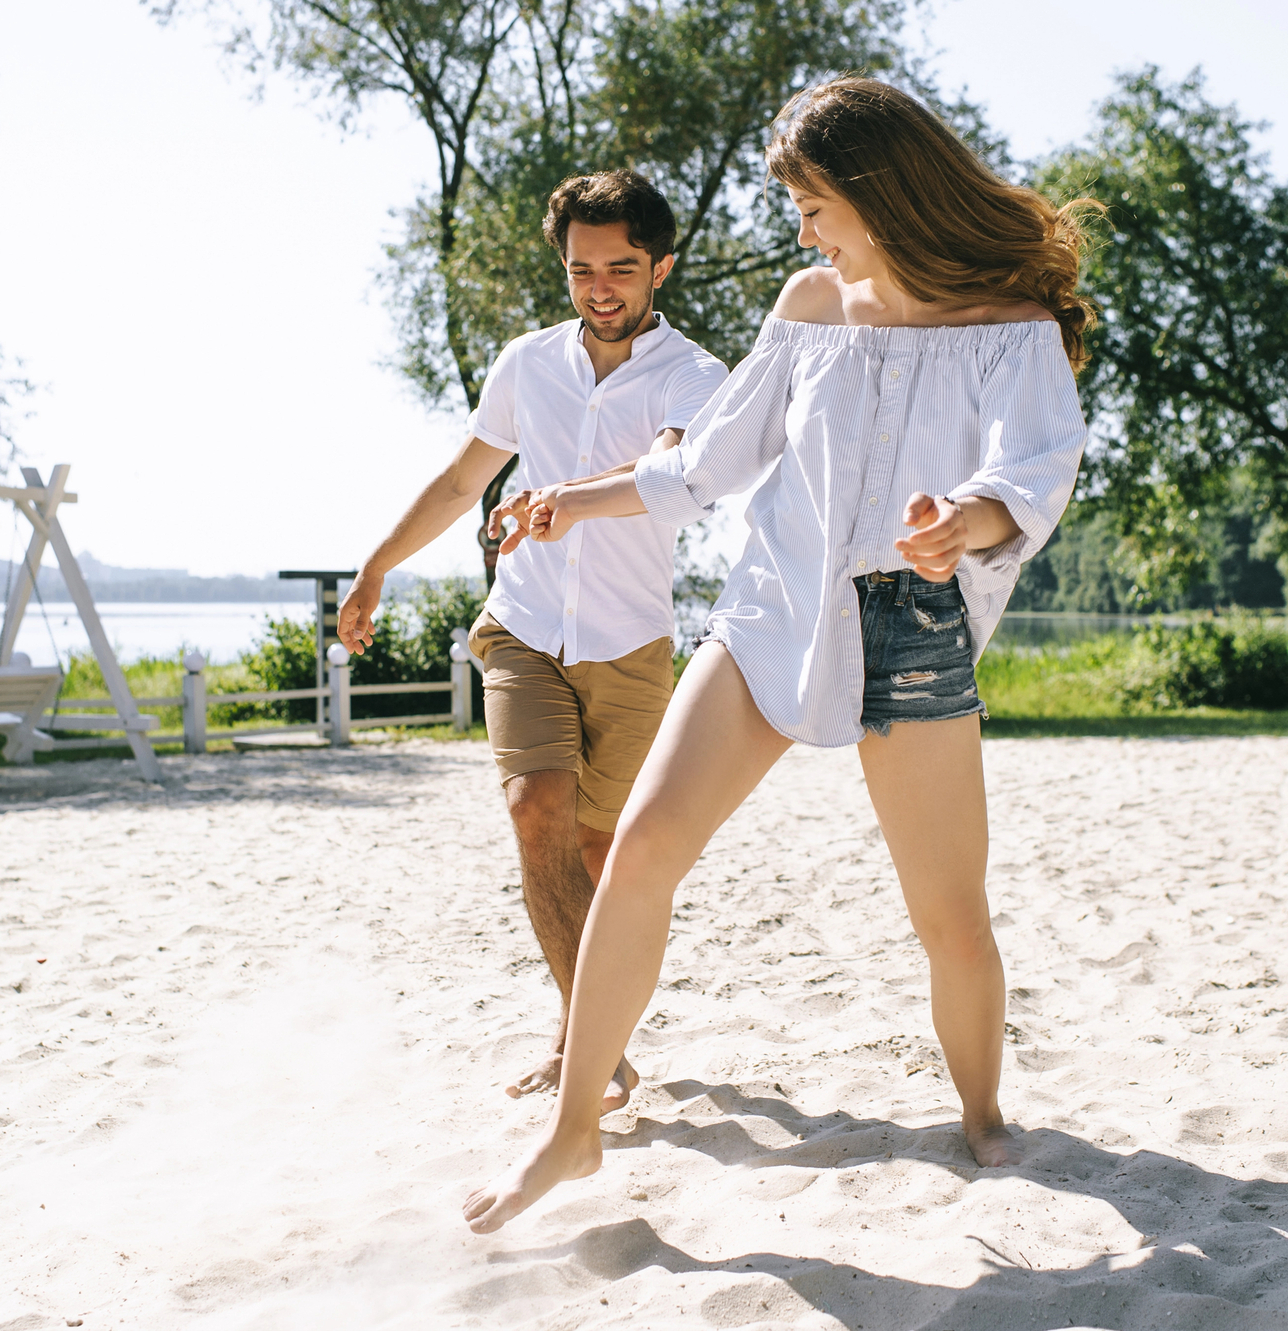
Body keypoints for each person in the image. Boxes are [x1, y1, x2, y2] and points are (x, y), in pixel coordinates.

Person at [461, 77, 1097, 1234]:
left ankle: (984, 1110)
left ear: (872, 189)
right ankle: (571, 1131)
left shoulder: (1008, 322)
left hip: (909, 624)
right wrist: (574, 498)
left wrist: (967, 520)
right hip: (765, 612)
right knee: (645, 848)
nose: (800, 227)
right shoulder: (808, 303)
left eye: (810, 201)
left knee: (947, 913)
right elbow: (704, 461)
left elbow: (1035, 468)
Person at [337, 170, 728, 1113]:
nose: (601, 287)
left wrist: (564, 498)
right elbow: (463, 476)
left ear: (660, 268)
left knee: (601, 858)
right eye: (582, 268)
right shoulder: (526, 363)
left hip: (630, 646)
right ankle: (593, 1055)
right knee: (535, 813)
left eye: (622, 267)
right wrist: (377, 564)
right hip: (521, 628)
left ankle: (579, 1035)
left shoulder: (694, 374)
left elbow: (665, 466)